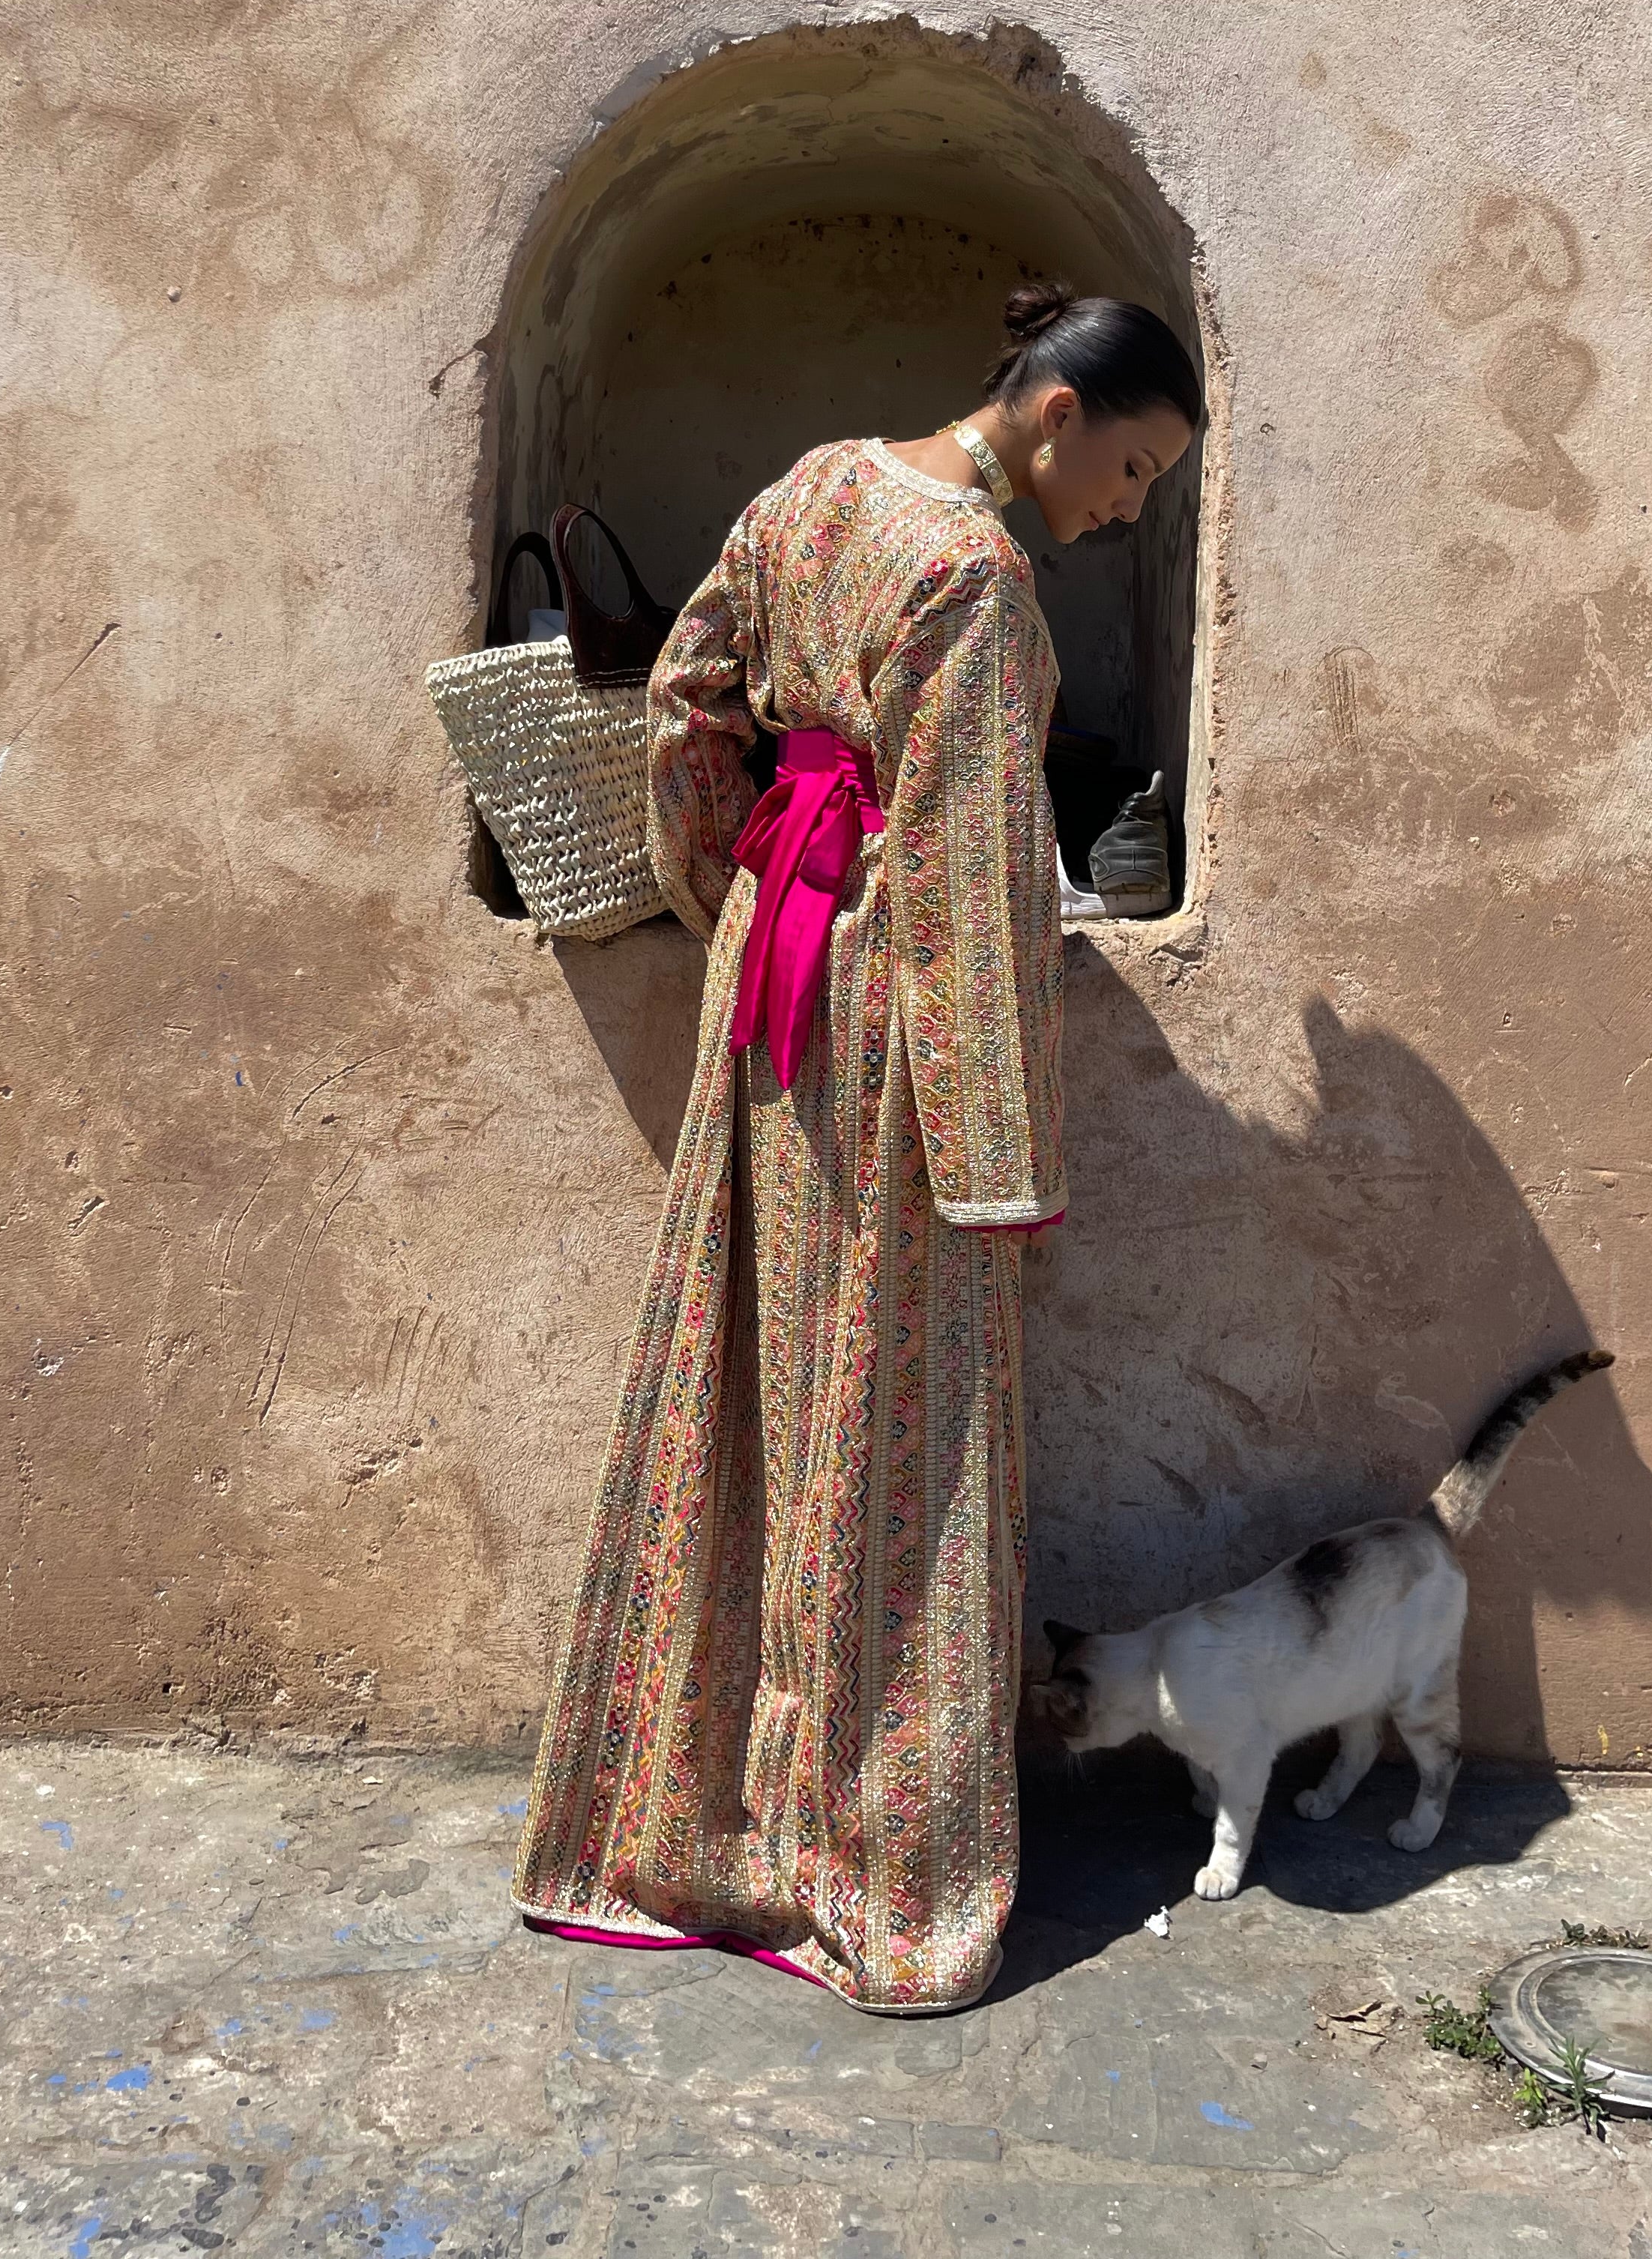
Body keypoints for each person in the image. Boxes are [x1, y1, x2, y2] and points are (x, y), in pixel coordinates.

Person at [512, 280, 1203, 2011]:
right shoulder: (977, 580)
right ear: (1057, 416)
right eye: (1132, 470)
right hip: (891, 1026)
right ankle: (877, 1869)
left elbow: (686, 693)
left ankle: (678, 1822)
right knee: (900, 1437)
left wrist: (735, 877)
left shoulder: (815, 487)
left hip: (775, 985)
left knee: (745, 1377)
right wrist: (1001, 1168)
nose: (1131, 509)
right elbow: (977, 893)